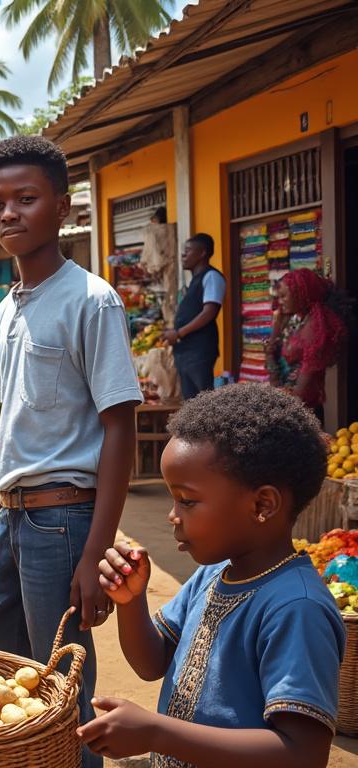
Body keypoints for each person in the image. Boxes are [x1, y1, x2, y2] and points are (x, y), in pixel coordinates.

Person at [0, 136, 141, 768]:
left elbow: (120, 429)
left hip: (64, 522)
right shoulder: (7, 307)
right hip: (12, 521)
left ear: (62, 208)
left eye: (25, 199)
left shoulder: (92, 300)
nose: (9, 214)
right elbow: (10, 420)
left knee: (62, 691)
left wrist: (96, 550)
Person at [82, 384, 345, 767]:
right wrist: (131, 601)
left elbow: (303, 753)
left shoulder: (297, 608)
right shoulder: (213, 575)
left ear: (262, 504)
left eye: (187, 501)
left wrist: (157, 733)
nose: (173, 515)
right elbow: (151, 662)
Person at [266, 268, 350, 421]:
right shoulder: (300, 321)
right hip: (291, 405)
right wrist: (277, 327)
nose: (280, 301)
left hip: (301, 413)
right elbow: (273, 359)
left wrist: (276, 403)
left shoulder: (314, 329)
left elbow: (301, 392)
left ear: (301, 294)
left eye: (284, 296)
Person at [161, 233, 225, 400]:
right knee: (191, 401)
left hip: (199, 351)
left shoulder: (212, 277)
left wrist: (179, 333)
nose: (183, 255)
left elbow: (209, 312)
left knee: (204, 400)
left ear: (202, 253)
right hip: (186, 351)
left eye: (188, 251)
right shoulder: (194, 282)